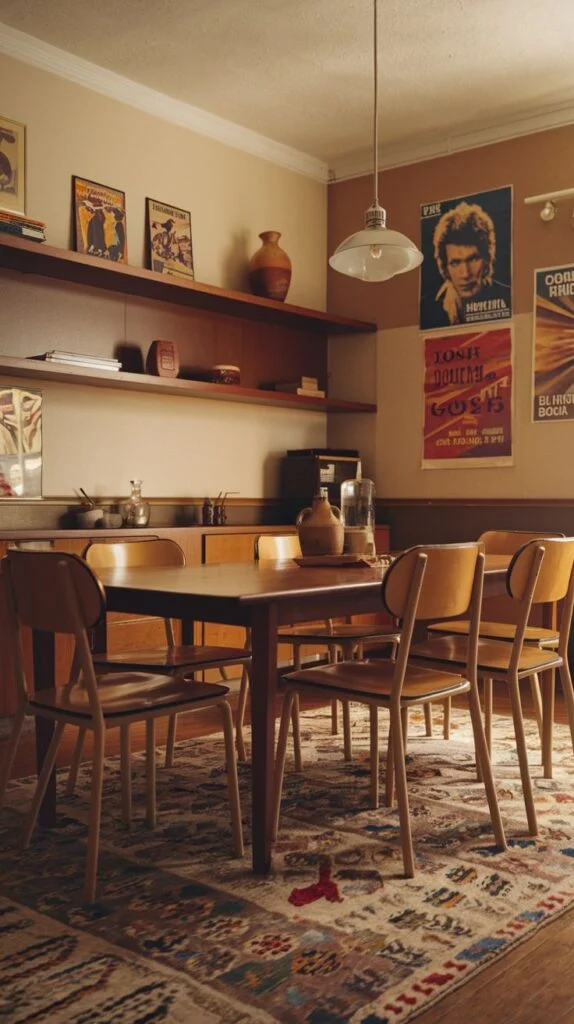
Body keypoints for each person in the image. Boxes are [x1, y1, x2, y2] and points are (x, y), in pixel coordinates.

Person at [424, 201, 510, 328]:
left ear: (486, 259)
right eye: (456, 263)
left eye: (473, 259)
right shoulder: (428, 310)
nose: (465, 273)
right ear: (445, 268)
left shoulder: (508, 297)